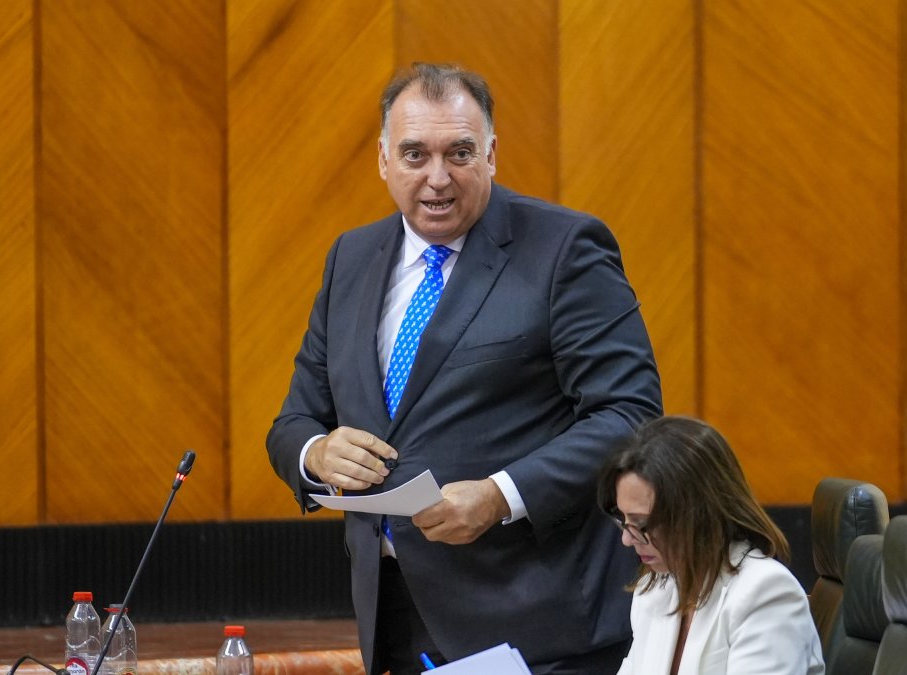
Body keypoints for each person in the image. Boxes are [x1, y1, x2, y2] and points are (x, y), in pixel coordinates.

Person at [265, 62, 662, 675]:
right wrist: (316, 453)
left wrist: (501, 496)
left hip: (534, 624)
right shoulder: (350, 258)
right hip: (392, 619)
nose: (437, 178)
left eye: (460, 153)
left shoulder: (564, 249)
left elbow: (629, 416)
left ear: (493, 154)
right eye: (415, 154)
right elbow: (295, 419)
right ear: (383, 158)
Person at [597, 416, 824, 675]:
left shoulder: (765, 593)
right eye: (623, 520)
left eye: (642, 524)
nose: (627, 539)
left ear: (697, 513)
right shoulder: (654, 590)